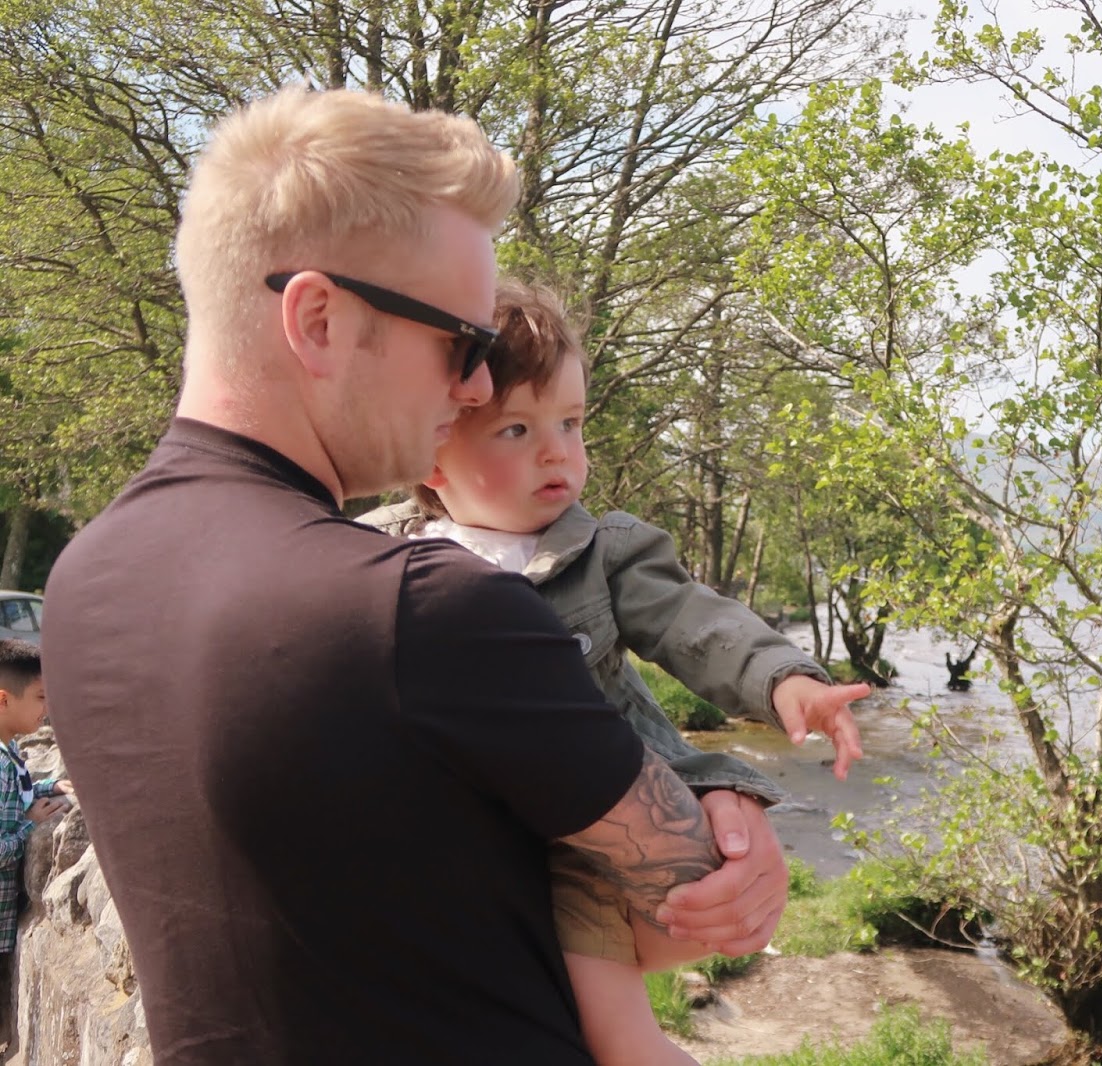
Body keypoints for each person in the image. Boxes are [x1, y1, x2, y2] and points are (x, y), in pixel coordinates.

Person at [41, 86, 789, 1065]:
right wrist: (731, 802)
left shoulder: (85, 583)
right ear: (317, 319)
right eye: (461, 343)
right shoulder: (424, 610)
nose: (476, 386)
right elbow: (696, 908)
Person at [359, 278, 869, 1064]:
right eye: (516, 429)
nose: (557, 452)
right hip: (459, 829)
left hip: (589, 827)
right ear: (430, 451)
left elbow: (696, 622)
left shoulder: (602, 552)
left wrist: (785, 679)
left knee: (616, 1030)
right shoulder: (377, 554)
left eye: (570, 423)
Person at [0, 640, 72, 971]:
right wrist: (31, 825)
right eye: (41, 697)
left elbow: (17, 791)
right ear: (4, 699)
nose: (47, 707)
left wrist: (50, 786)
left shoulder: (9, 749)